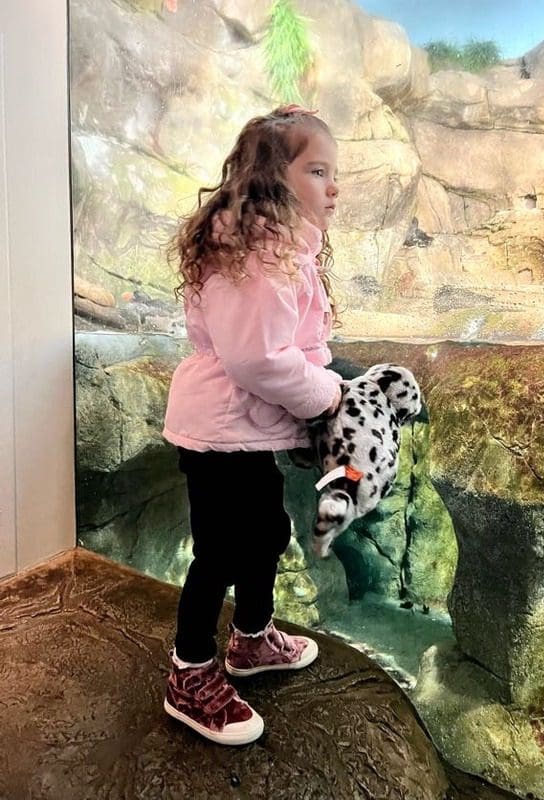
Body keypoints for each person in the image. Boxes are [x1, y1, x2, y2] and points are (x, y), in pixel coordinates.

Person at [162, 105, 342, 745]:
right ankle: (189, 673)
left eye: (332, 173)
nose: (333, 187)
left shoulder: (278, 250)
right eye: (318, 170)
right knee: (219, 553)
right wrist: (326, 399)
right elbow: (256, 357)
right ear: (272, 176)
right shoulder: (259, 254)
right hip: (219, 433)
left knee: (266, 532)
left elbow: (285, 346)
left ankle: (251, 640)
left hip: (246, 431)